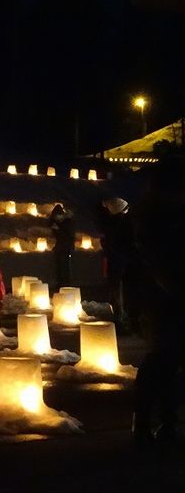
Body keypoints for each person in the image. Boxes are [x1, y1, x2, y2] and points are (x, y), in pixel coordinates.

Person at [129, 162, 185, 446]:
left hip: (164, 298)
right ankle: (152, 422)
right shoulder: (153, 220)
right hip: (164, 300)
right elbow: (149, 263)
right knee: (162, 361)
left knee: (165, 362)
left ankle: (163, 421)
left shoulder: (156, 216)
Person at [98, 197, 135, 330]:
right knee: (118, 288)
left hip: (119, 260)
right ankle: (120, 315)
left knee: (118, 288)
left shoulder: (117, 223)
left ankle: (120, 316)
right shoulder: (123, 222)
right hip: (120, 260)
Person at [49, 203, 75, 287]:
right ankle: (60, 283)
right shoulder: (57, 222)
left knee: (65, 267)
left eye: (58, 216)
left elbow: (68, 237)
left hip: (66, 248)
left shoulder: (67, 222)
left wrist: (58, 230)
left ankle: (66, 284)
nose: (57, 218)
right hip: (59, 248)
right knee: (59, 267)